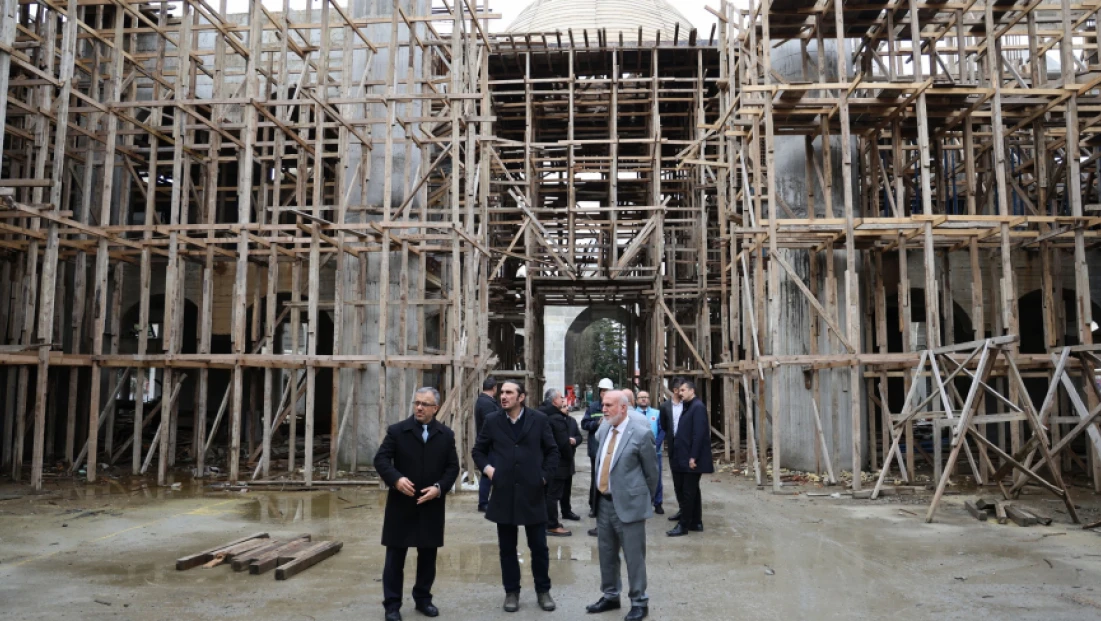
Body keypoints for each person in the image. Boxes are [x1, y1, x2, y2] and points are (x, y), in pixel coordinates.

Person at [472, 380, 560, 613]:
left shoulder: (539, 420)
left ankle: (543, 590)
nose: (503, 396)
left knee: (539, 546)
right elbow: (478, 450)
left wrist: (543, 477)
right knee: (507, 548)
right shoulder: (493, 420)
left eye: (509, 393)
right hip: (504, 493)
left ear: (521, 397)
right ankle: (511, 592)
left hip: (533, 493)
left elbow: (552, 451)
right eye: (502, 392)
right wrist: (489, 470)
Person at [374, 388, 460, 621]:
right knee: (395, 558)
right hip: (401, 504)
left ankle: (423, 599)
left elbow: (452, 467)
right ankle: (392, 605)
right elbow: (381, 459)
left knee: (428, 556)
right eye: (417, 403)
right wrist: (396, 479)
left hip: (430, 505)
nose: (419, 407)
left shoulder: (445, 435)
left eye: (425, 404)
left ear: (436, 408)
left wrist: (439, 488)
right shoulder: (398, 431)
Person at [586, 390, 659, 621]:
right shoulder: (604, 429)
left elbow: (652, 473)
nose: (604, 409)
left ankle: (639, 601)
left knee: (634, 557)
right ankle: (610, 595)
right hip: (604, 503)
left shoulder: (641, 433)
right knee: (607, 554)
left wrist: (641, 499)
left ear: (623, 407)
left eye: (609, 405)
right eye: (603, 404)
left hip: (630, 505)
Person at [666, 379, 714, 537]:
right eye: (679, 390)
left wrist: (693, 457)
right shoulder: (689, 406)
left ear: (692, 391)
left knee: (688, 492)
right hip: (684, 456)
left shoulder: (697, 407)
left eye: (683, 390)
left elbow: (699, 434)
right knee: (693, 491)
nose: (680, 393)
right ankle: (696, 522)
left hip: (691, 459)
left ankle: (683, 525)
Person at [539, 388, 573, 537]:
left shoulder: (539, 413)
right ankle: (551, 525)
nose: (563, 400)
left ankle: (544, 521)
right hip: (557, 463)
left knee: (546, 493)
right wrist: (569, 457)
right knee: (553, 495)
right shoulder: (556, 418)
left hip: (543, 460)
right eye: (560, 398)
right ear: (554, 401)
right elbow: (563, 443)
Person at [582, 378, 615, 523]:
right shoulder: (593, 407)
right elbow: (584, 424)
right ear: (600, 392)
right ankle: (594, 507)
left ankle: (608, 506)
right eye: (603, 391)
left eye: (607, 391)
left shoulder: (615, 406)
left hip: (611, 449)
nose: (605, 393)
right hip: (596, 449)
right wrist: (596, 423)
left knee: (610, 478)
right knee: (596, 479)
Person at [658, 378, 684, 523]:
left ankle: (689, 512)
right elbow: (664, 425)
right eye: (682, 389)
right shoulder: (664, 407)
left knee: (688, 482)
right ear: (675, 390)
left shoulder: (689, 405)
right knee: (677, 480)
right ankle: (682, 509)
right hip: (674, 447)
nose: (684, 392)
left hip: (687, 447)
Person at [475, 377, 501, 513]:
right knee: (488, 473)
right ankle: (483, 503)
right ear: (494, 388)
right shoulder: (486, 403)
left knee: (489, 472)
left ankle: (486, 501)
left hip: (488, 442)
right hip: (489, 444)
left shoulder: (484, 401)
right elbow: (492, 424)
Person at [636, 391, 664, 514]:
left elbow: (662, 430)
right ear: (636, 400)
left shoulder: (657, 413)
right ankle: (641, 503)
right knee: (638, 478)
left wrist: (656, 445)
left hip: (655, 452)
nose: (644, 399)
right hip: (637, 452)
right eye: (641, 397)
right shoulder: (632, 414)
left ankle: (658, 503)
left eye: (646, 397)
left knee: (656, 478)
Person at [560, 406, 583, 522]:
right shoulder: (552, 421)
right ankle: (551, 518)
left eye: (567, 406)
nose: (567, 408)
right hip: (557, 460)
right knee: (554, 491)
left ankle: (566, 511)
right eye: (563, 406)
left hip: (569, 459)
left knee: (567, 489)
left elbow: (579, 436)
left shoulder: (572, 421)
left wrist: (575, 440)